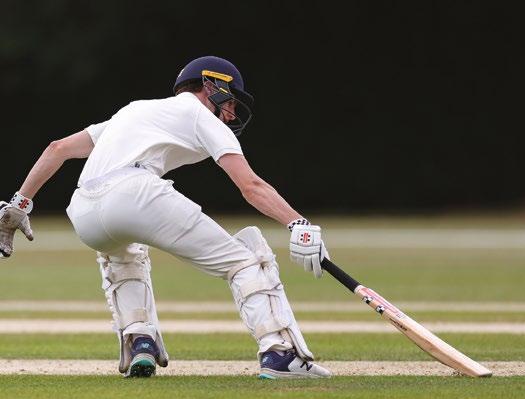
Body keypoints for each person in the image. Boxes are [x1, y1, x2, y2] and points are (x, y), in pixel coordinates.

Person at [0, 56, 331, 379]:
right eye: (230, 101)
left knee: (123, 255)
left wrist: (19, 205)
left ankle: (140, 340)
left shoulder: (134, 110)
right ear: (210, 85)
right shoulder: (199, 115)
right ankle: (279, 353)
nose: (231, 113)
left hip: (83, 209)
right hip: (134, 191)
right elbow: (251, 186)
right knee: (244, 261)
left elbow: (57, 149)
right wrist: (298, 224)